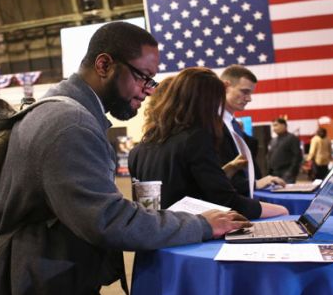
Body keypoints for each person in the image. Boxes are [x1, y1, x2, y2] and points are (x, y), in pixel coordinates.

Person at [0, 22, 249, 295]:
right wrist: (203, 224)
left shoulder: (61, 111)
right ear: (105, 64)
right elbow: (108, 221)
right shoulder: (70, 124)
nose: (147, 91)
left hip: (38, 283)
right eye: (142, 77)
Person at [128, 67, 289, 219]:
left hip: (153, 240)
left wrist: (227, 170)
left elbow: (183, 187)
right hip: (186, 238)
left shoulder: (138, 151)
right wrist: (281, 210)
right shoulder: (195, 139)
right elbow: (224, 200)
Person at [218, 65, 285, 197]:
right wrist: (254, 184)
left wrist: (258, 182)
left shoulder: (234, 125)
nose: (249, 99)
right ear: (226, 86)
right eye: (244, 92)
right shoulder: (212, 124)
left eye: (250, 93)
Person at [267, 118, 303, 183]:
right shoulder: (273, 140)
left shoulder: (292, 138)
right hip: (274, 173)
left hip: (286, 173)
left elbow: (297, 157)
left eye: (276, 125)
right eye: (273, 126)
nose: (274, 128)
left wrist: (291, 172)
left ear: (283, 125)